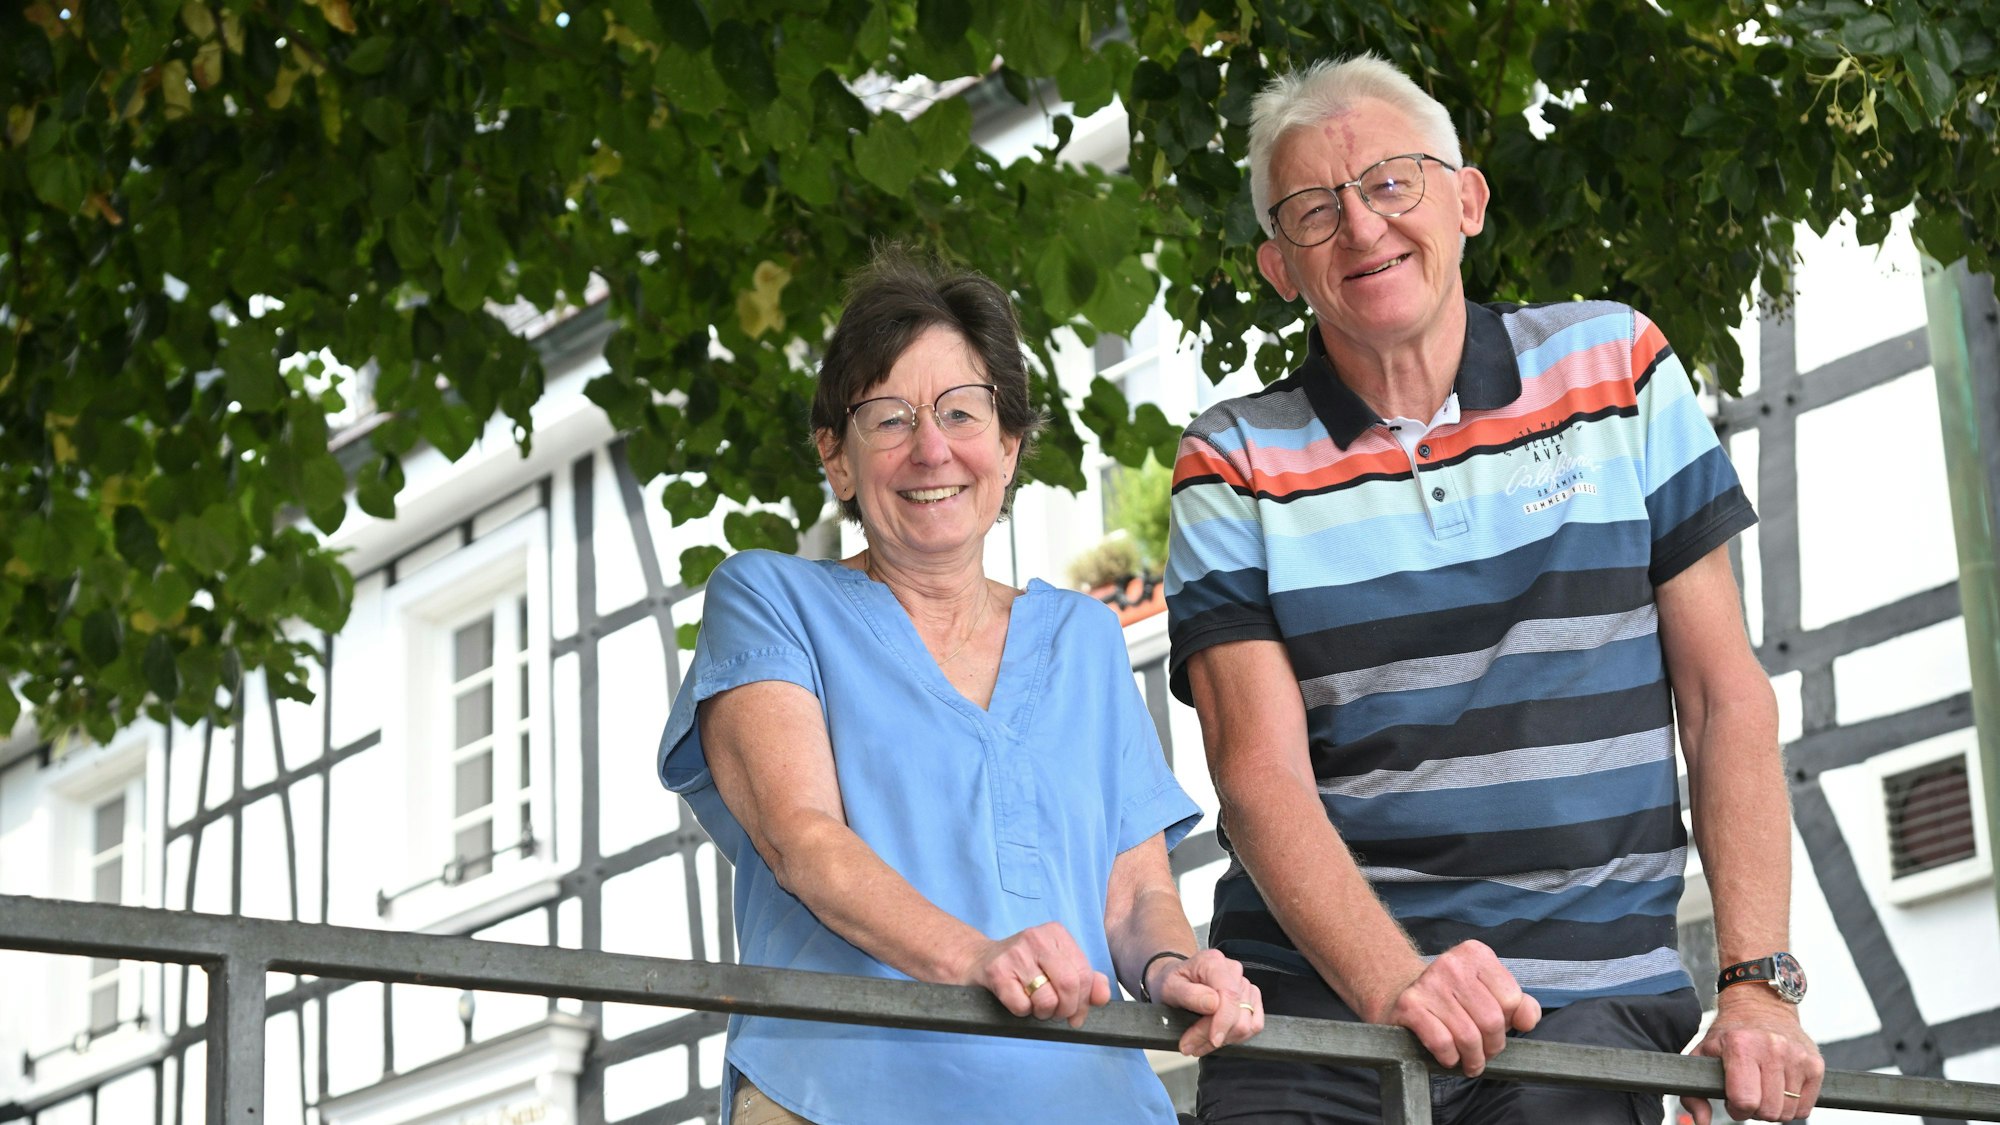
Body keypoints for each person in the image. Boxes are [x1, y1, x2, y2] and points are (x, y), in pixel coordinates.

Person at [1164, 55, 1824, 1125]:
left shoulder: (1614, 368)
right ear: (1279, 267)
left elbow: (1722, 697)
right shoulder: (1232, 458)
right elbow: (1256, 775)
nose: (1362, 226)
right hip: (1318, 1005)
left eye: (1391, 182)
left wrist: (1757, 986)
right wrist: (1397, 985)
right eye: (1314, 210)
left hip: (1580, 997)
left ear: (1466, 200)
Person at [657, 250, 1263, 1125]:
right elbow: (802, 839)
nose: (931, 447)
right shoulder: (768, 600)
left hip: (1087, 1105)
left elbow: (1133, 894)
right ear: (836, 459)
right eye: (889, 418)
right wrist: (976, 957)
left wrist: (1175, 967)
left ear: (1008, 449)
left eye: (960, 411)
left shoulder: (1084, 639)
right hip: (840, 1101)